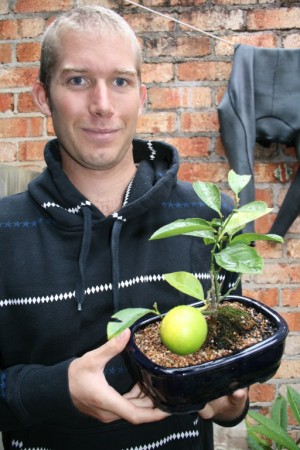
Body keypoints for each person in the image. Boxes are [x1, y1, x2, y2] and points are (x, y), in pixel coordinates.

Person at [0, 6, 249, 450]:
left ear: (141, 94)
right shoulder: (4, 232)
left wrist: (232, 401)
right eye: (78, 80)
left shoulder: (209, 220)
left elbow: (234, 369)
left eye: (120, 81)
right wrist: (57, 390)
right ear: (43, 96)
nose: (102, 104)